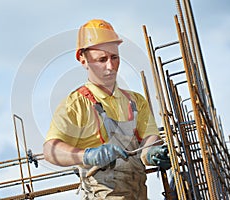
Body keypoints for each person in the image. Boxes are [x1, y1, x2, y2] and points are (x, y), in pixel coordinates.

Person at [43, 19, 171, 199]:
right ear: (83, 59)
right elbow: (50, 151)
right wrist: (87, 155)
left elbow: (150, 137)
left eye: (114, 57)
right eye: (102, 59)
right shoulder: (76, 105)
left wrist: (151, 152)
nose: (110, 66)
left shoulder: (136, 101)